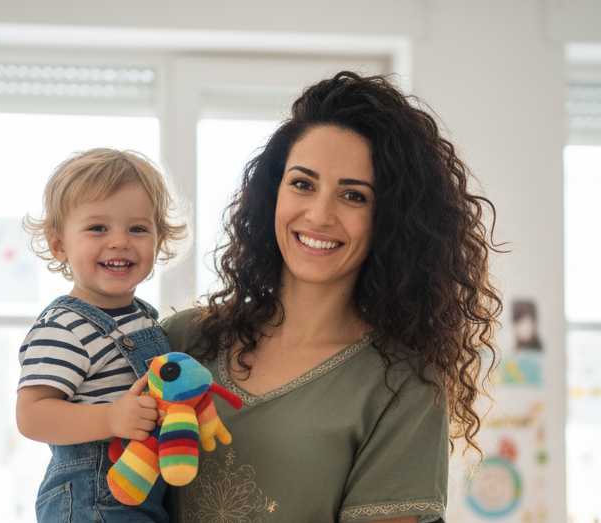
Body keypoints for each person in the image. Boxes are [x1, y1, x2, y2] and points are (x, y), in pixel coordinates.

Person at [161, 71, 502, 523]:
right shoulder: (182, 340)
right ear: (272, 194)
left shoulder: (403, 387)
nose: (319, 214)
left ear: (390, 219)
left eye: (353, 196)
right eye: (303, 184)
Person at [16, 148, 187, 522]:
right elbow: (31, 416)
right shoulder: (64, 327)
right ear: (59, 244)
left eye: (138, 229)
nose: (119, 241)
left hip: (142, 499)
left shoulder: (142, 318)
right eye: (98, 228)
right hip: (91, 504)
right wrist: (110, 419)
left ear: (158, 242)